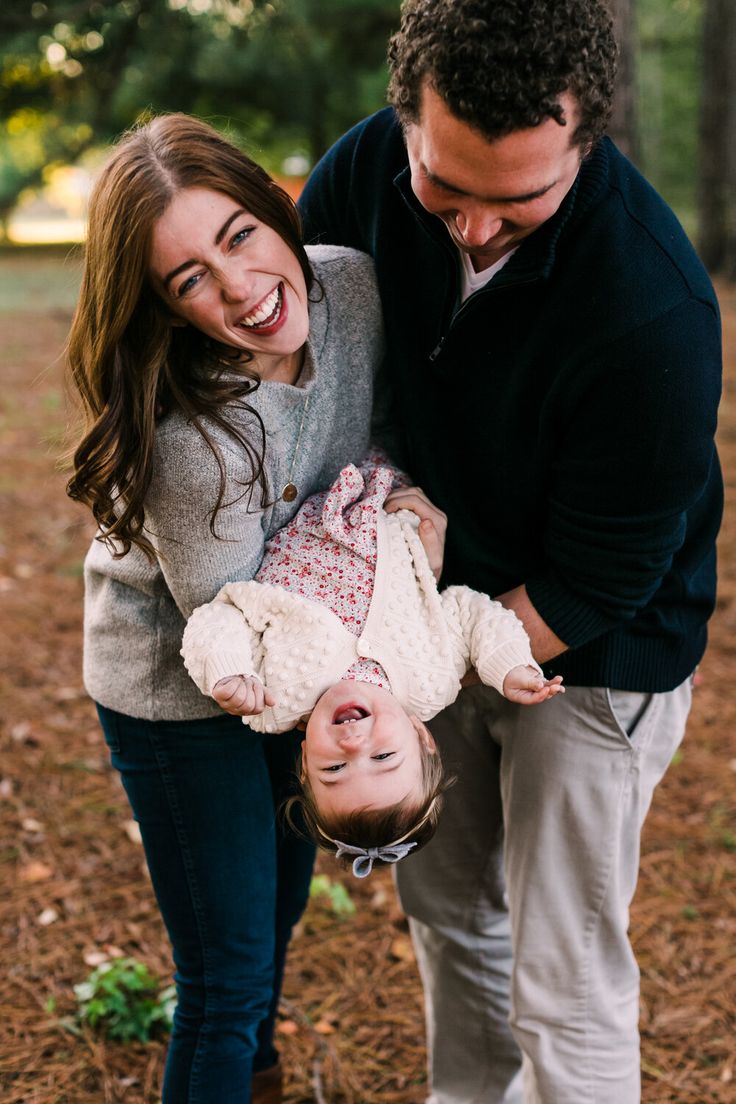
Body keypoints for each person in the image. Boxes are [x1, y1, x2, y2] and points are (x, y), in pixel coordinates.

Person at [297, 0, 724, 1101]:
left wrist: (418, 657)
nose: (475, 230)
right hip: (424, 606)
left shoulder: (652, 311)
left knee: (561, 969)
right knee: (448, 913)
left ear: (588, 142)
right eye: (446, 189)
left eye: (519, 203)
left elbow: (604, 574)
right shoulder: (355, 179)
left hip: (590, 646)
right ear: (405, 125)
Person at [66, 112, 405, 1104]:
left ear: (274, 211)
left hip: (305, 663)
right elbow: (239, 627)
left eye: (240, 237)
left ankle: (252, 1080)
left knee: (279, 908)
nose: (241, 290)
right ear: (167, 311)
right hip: (189, 684)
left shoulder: (352, 288)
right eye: (189, 281)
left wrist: (407, 499)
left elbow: (384, 438)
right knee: (223, 977)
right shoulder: (192, 440)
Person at [180, 455, 563, 876]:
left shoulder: (273, 699)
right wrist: (509, 665)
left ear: (305, 763)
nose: (354, 745)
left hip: (304, 486)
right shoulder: (431, 679)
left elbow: (222, 616)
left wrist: (227, 668)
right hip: (391, 490)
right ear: (421, 736)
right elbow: (471, 614)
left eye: (335, 769)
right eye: (383, 756)